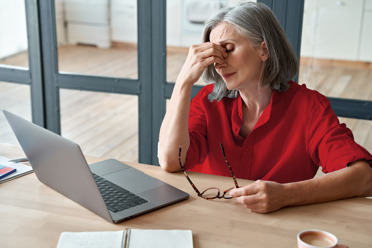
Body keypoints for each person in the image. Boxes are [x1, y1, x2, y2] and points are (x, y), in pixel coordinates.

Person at [158, 2, 372, 213]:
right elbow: (171, 162)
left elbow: (364, 177)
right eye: (214, 53)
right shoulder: (208, 101)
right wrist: (184, 81)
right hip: (208, 219)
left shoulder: (309, 107)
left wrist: (287, 195)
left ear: (264, 50)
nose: (218, 62)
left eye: (228, 49)